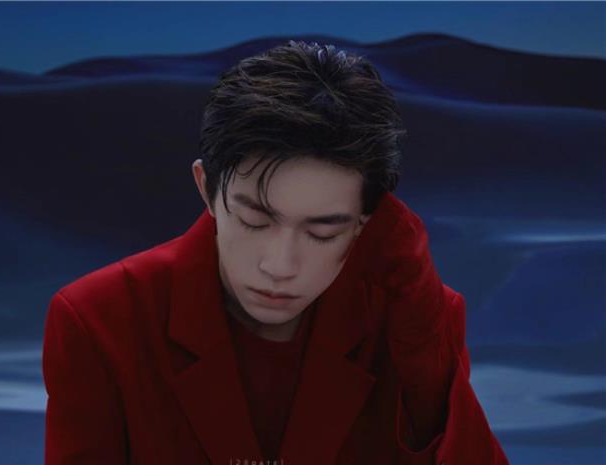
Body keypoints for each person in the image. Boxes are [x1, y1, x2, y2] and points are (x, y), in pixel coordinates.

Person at [42, 40, 509, 465]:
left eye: (323, 232)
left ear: (366, 222)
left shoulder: (414, 317)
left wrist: (422, 343)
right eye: (254, 220)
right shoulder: (99, 320)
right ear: (206, 189)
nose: (279, 266)